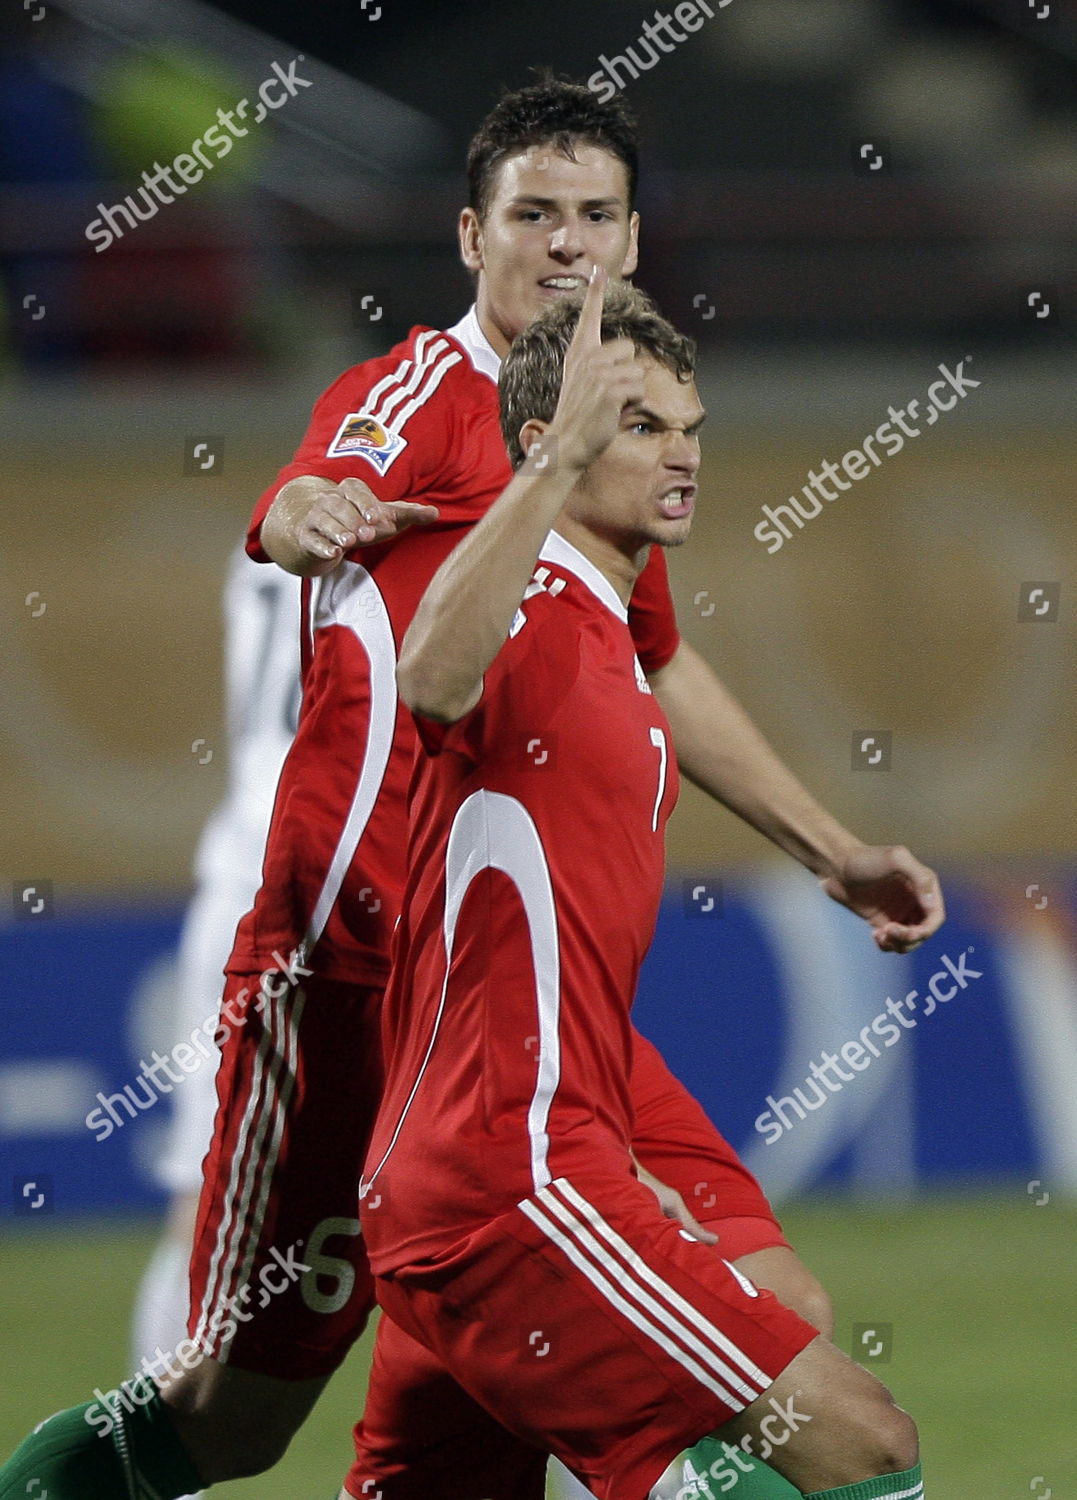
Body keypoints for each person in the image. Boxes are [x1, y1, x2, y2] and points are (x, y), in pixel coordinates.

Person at [0, 80, 941, 1500]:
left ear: (635, 242)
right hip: (349, 975)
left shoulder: (616, 450)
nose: (568, 244)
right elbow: (311, 501)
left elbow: (659, 660)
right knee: (231, 1416)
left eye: (598, 216)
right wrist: (303, 514)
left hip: (504, 986)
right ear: (468, 236)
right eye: (533, 215)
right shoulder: (425, 395)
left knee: (775, 1323)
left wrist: (830, 847)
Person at [358, 271, 925, 1500]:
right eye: (640, 426)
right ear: (547, 439)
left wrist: (835, 854)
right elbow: (430, 678)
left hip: (526, 1147)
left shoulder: (612, 638)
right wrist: (549, 467)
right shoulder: (527, 604)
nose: (683, 455)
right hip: (503, 1180)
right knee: (858, 1441)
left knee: (784, 1306)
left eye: (689, 428)